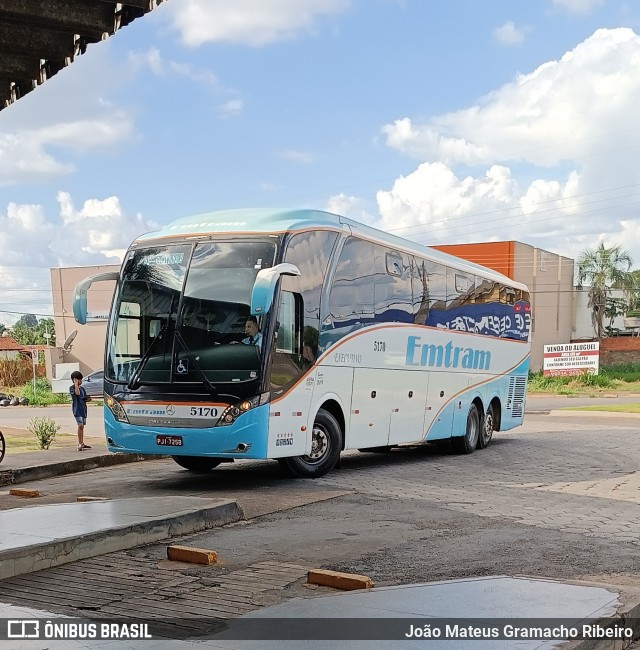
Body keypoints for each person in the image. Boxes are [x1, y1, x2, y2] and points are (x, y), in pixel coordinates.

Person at [69, 370, 92, 452]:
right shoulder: (72, 388)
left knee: (82, 426)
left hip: (83, 410)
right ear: (75, 380)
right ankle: (79, 443)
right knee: (80, 425)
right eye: (79, 380)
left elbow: (83, 397)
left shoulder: (82, 389)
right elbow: (77, 393)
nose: (81, 381)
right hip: (77, 410)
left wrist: (88, 399)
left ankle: (82, 442)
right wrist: (75, 384)